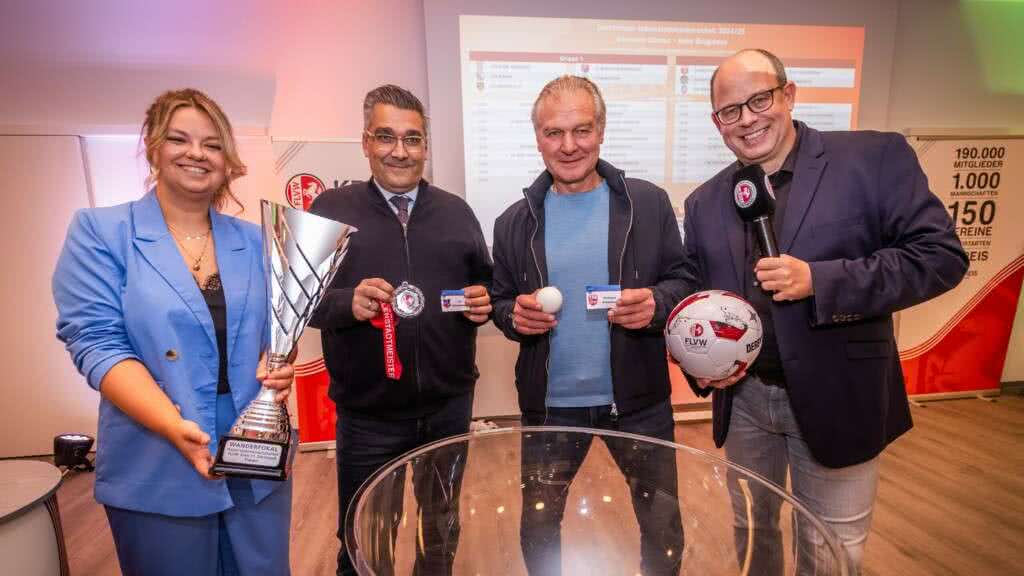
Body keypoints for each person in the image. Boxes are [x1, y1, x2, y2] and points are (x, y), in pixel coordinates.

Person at [680, 49, 968, 574]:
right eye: (729, 111)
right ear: (717, 122)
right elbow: (699, 294)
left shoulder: (873, 159)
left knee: (831, 549)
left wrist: (821, 280)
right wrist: (699, 357)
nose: (747, 119)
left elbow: (940, 257)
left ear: (788, 96)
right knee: (752, 533)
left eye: (759, 99)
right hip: (743, 402)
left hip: (840, 395)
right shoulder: (704, 202)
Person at [52, 88, 296, 575]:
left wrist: (277, 369)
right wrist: (171, 425)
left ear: (228, 160)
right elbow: (96, 343)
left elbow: (273, 334)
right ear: (154, 148)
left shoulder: (257, 240)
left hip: (255, 456)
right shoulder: (101, 231)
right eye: (179, 139)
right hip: (157, 450)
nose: (196, 153)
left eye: (212, 144)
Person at [490, 75, 687, 575]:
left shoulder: (648, 202)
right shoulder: (514, 220)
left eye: (581, 129)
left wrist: (659, 304)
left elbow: (683, 279)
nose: (569, 145)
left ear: (601, 130)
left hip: (638, 403)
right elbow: (499, 300)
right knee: (539, 529)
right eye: (554, 133)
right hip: (551, 406)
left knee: (661, 526)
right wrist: (513, 314)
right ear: (537, 137)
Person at [307, 84, 493, 576]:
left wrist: (483, 303)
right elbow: (297, 302)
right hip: (369, 414)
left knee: (441, 529)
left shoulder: (457, 212)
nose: (400, 151)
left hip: (448, 407)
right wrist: (349, 302)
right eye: (386, 136)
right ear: (366, 141)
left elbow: (486, 287)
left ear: (426, 146)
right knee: (365, 536)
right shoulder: (330, 209)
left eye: (412, 139)